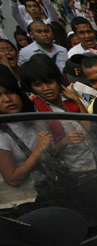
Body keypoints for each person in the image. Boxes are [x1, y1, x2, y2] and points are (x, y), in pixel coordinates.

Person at [0, 65, 52, 209]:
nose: (7, 99)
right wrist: (39, 149)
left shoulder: (33, 120)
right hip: (23, 204)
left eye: (10, 92)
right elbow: (13, 178)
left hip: (49, 192)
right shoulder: (1, 135)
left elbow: (52, 154)